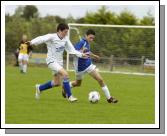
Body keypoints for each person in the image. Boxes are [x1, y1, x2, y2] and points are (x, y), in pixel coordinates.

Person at [28, 23, 89, 102]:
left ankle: (39, 88)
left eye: (67, 32)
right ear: (59, 31)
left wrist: (81, 54)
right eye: (65, 32)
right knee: (65, 74)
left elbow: (71, 50)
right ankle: (70, 96)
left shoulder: (65, 39)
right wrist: (31, 42)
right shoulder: (52, 37)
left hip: (59, 62)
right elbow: (41, 38)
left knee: (56, 83)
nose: (66, 34)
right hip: (51, 61)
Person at [62, 29, 118, 103]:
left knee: (100, 80)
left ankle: (109, 98)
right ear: (86, 36)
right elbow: (73, 51)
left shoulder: (87, 43)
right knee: (78, 83)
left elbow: (87, 51)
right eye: (90, 37)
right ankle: (65, 86)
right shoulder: (81, 42)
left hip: (88, 65)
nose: (91, 39)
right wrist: (81, 54)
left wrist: (94, 55)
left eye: (93, 38)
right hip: (80, 68)